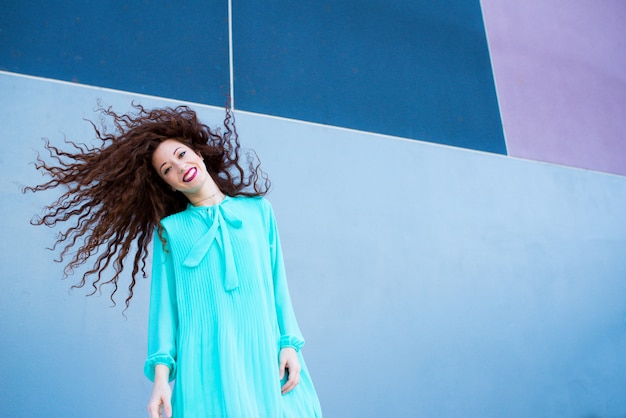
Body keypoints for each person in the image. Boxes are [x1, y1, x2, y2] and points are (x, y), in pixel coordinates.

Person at [25, 104, 323, 417]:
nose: (179, 167)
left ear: (199, 153)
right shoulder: (171, 232)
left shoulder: (258, 212)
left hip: (264, 354)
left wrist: (289, 344)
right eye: (167, 169)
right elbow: (164, 310)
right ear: (168, 184)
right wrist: (161, 380)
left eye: (181, 155)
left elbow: (278, 285)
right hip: (206, 367)